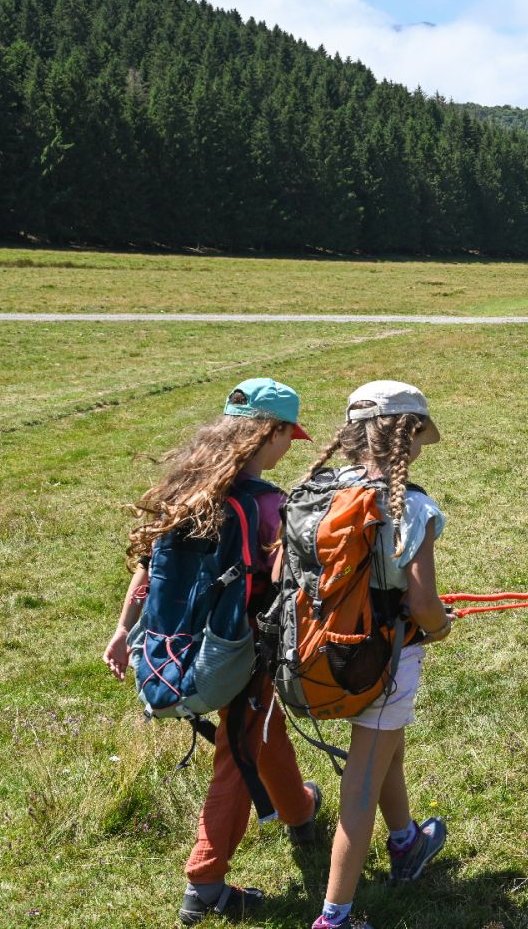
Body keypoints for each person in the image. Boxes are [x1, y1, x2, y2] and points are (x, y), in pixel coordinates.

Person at [106, 378, 320, 926]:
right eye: (285, 438)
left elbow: (147, 568)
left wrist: (123, 628)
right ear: (266, 434)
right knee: (239, 749)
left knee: (254, 727)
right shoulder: (268, 504)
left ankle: (299, 811)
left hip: (171, 644)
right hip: (239, 648)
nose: (285, 449)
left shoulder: (185, 492)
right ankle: (205, 883)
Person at [307, 381, 451, 929]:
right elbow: (422, 601)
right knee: (361, 783)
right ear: (406, 436)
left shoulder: (320, 491)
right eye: (418, 436)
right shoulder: (409, 505)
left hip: (317, 653)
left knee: (386, 744)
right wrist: (439, 628)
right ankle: (335, 916)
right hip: (382, 660)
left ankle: (406, 841)